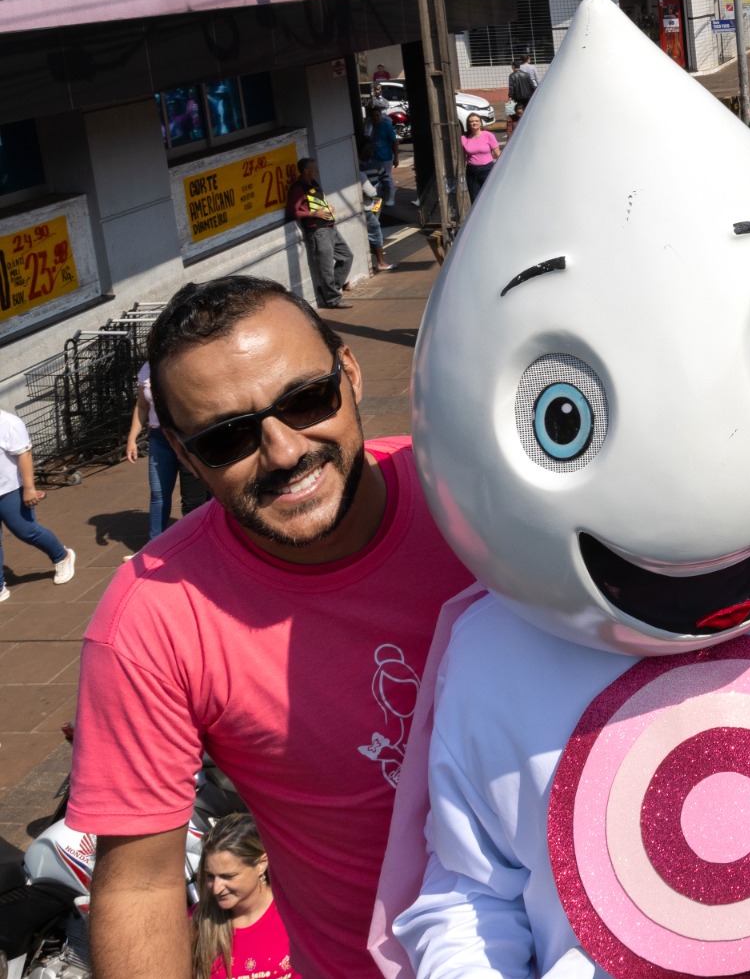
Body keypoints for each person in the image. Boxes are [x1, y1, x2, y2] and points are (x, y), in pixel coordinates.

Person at [68, 276, 475, 979]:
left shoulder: (479, 492)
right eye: (228, 437)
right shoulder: (155, 617)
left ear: (350, 373)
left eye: (306, 399)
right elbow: (139, 884)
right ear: (184, 457)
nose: (284, 451)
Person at [191, 813, 300, 979]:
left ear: (261, 864)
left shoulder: (297, 916)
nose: (216, 888)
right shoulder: (194, 922)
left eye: (228, 876)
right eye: (210, 876)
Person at [124, 360, 210, 553]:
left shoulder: (183, 362)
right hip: (159, 438)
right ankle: (154, 546)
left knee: (193, 498)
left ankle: (196, 546)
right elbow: (142, 406)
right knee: (158, 493)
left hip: (186, 437)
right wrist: (131, 438)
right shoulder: (147, 369)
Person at [0, 409, 75, 601]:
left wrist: (29, 488)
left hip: (10, 490)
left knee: (26, 531)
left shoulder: (9, 423)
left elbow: (25, 454)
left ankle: (62, 556)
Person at [284, 158, 352, 310]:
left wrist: (329, 207)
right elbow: (291, 212)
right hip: (318, 231)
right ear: (306, 171)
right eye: (314, 169)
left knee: (347, 257)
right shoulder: (298, 188)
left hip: (330, 226)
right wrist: (313, 214)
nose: (317, 171)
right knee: (326, 266)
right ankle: (333, 299)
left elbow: (317, 202)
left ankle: (330, 291)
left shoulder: (313, 183)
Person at [362, 102, 398, 207]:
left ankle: (391, 197)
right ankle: (380, 201)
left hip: (386, 157)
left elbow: (394, 141)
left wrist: (396, 157)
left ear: (381, 115)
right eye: (373, 116)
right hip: (374, 157)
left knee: (387, 177)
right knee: (377, 181)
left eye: (377, 115)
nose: (375, 118)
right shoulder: (370, 126)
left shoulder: (386, 126)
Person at [460, 113, 500, 203]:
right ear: (468, 124)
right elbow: (463, 157)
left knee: (489, 197)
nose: (474, 123)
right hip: (471, 171)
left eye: (477, 121)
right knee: (475, 200)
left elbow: (498, 153)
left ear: (480, 123)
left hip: (487, 169)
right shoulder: (464, 138)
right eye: (471, 121)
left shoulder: (488, 135)